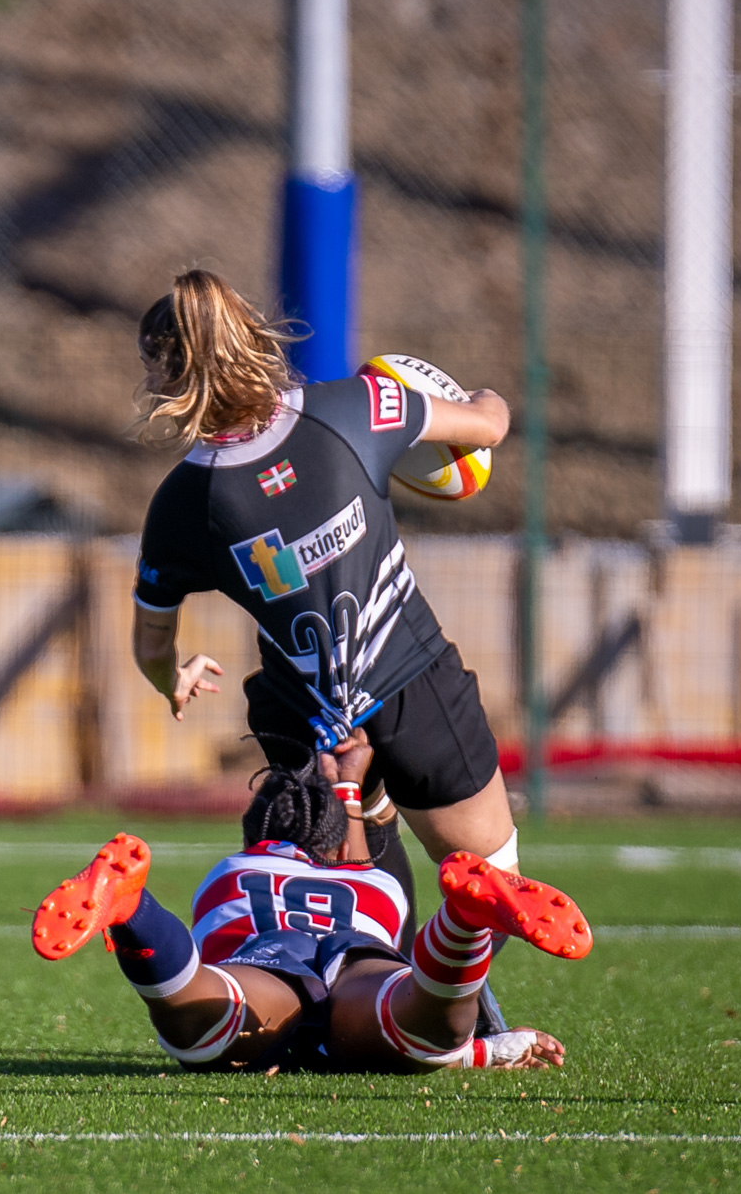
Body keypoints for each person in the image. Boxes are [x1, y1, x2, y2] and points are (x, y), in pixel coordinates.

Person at [128, 271, 517, 964]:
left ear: (167, 382)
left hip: (306, 719)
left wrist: (172, 678)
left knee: (345, 900)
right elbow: (488, 424)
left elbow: (152, 640)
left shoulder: (181, 506)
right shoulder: (357, 407)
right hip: (415, 682)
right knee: (494, 887)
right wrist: (482, 398)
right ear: (253, 334)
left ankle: (376, 840)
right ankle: (461, 1011)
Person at [31, 729, 588, 1073]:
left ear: (256, 834)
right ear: (336, 846)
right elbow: (356, 854)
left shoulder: (230, 872)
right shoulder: (373, 883)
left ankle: (134, 911)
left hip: (267, 962)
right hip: (358, 958)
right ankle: (462, 922)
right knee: (422, 1026)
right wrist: (348, 785)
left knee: (204, 1020)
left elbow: (217, 948)